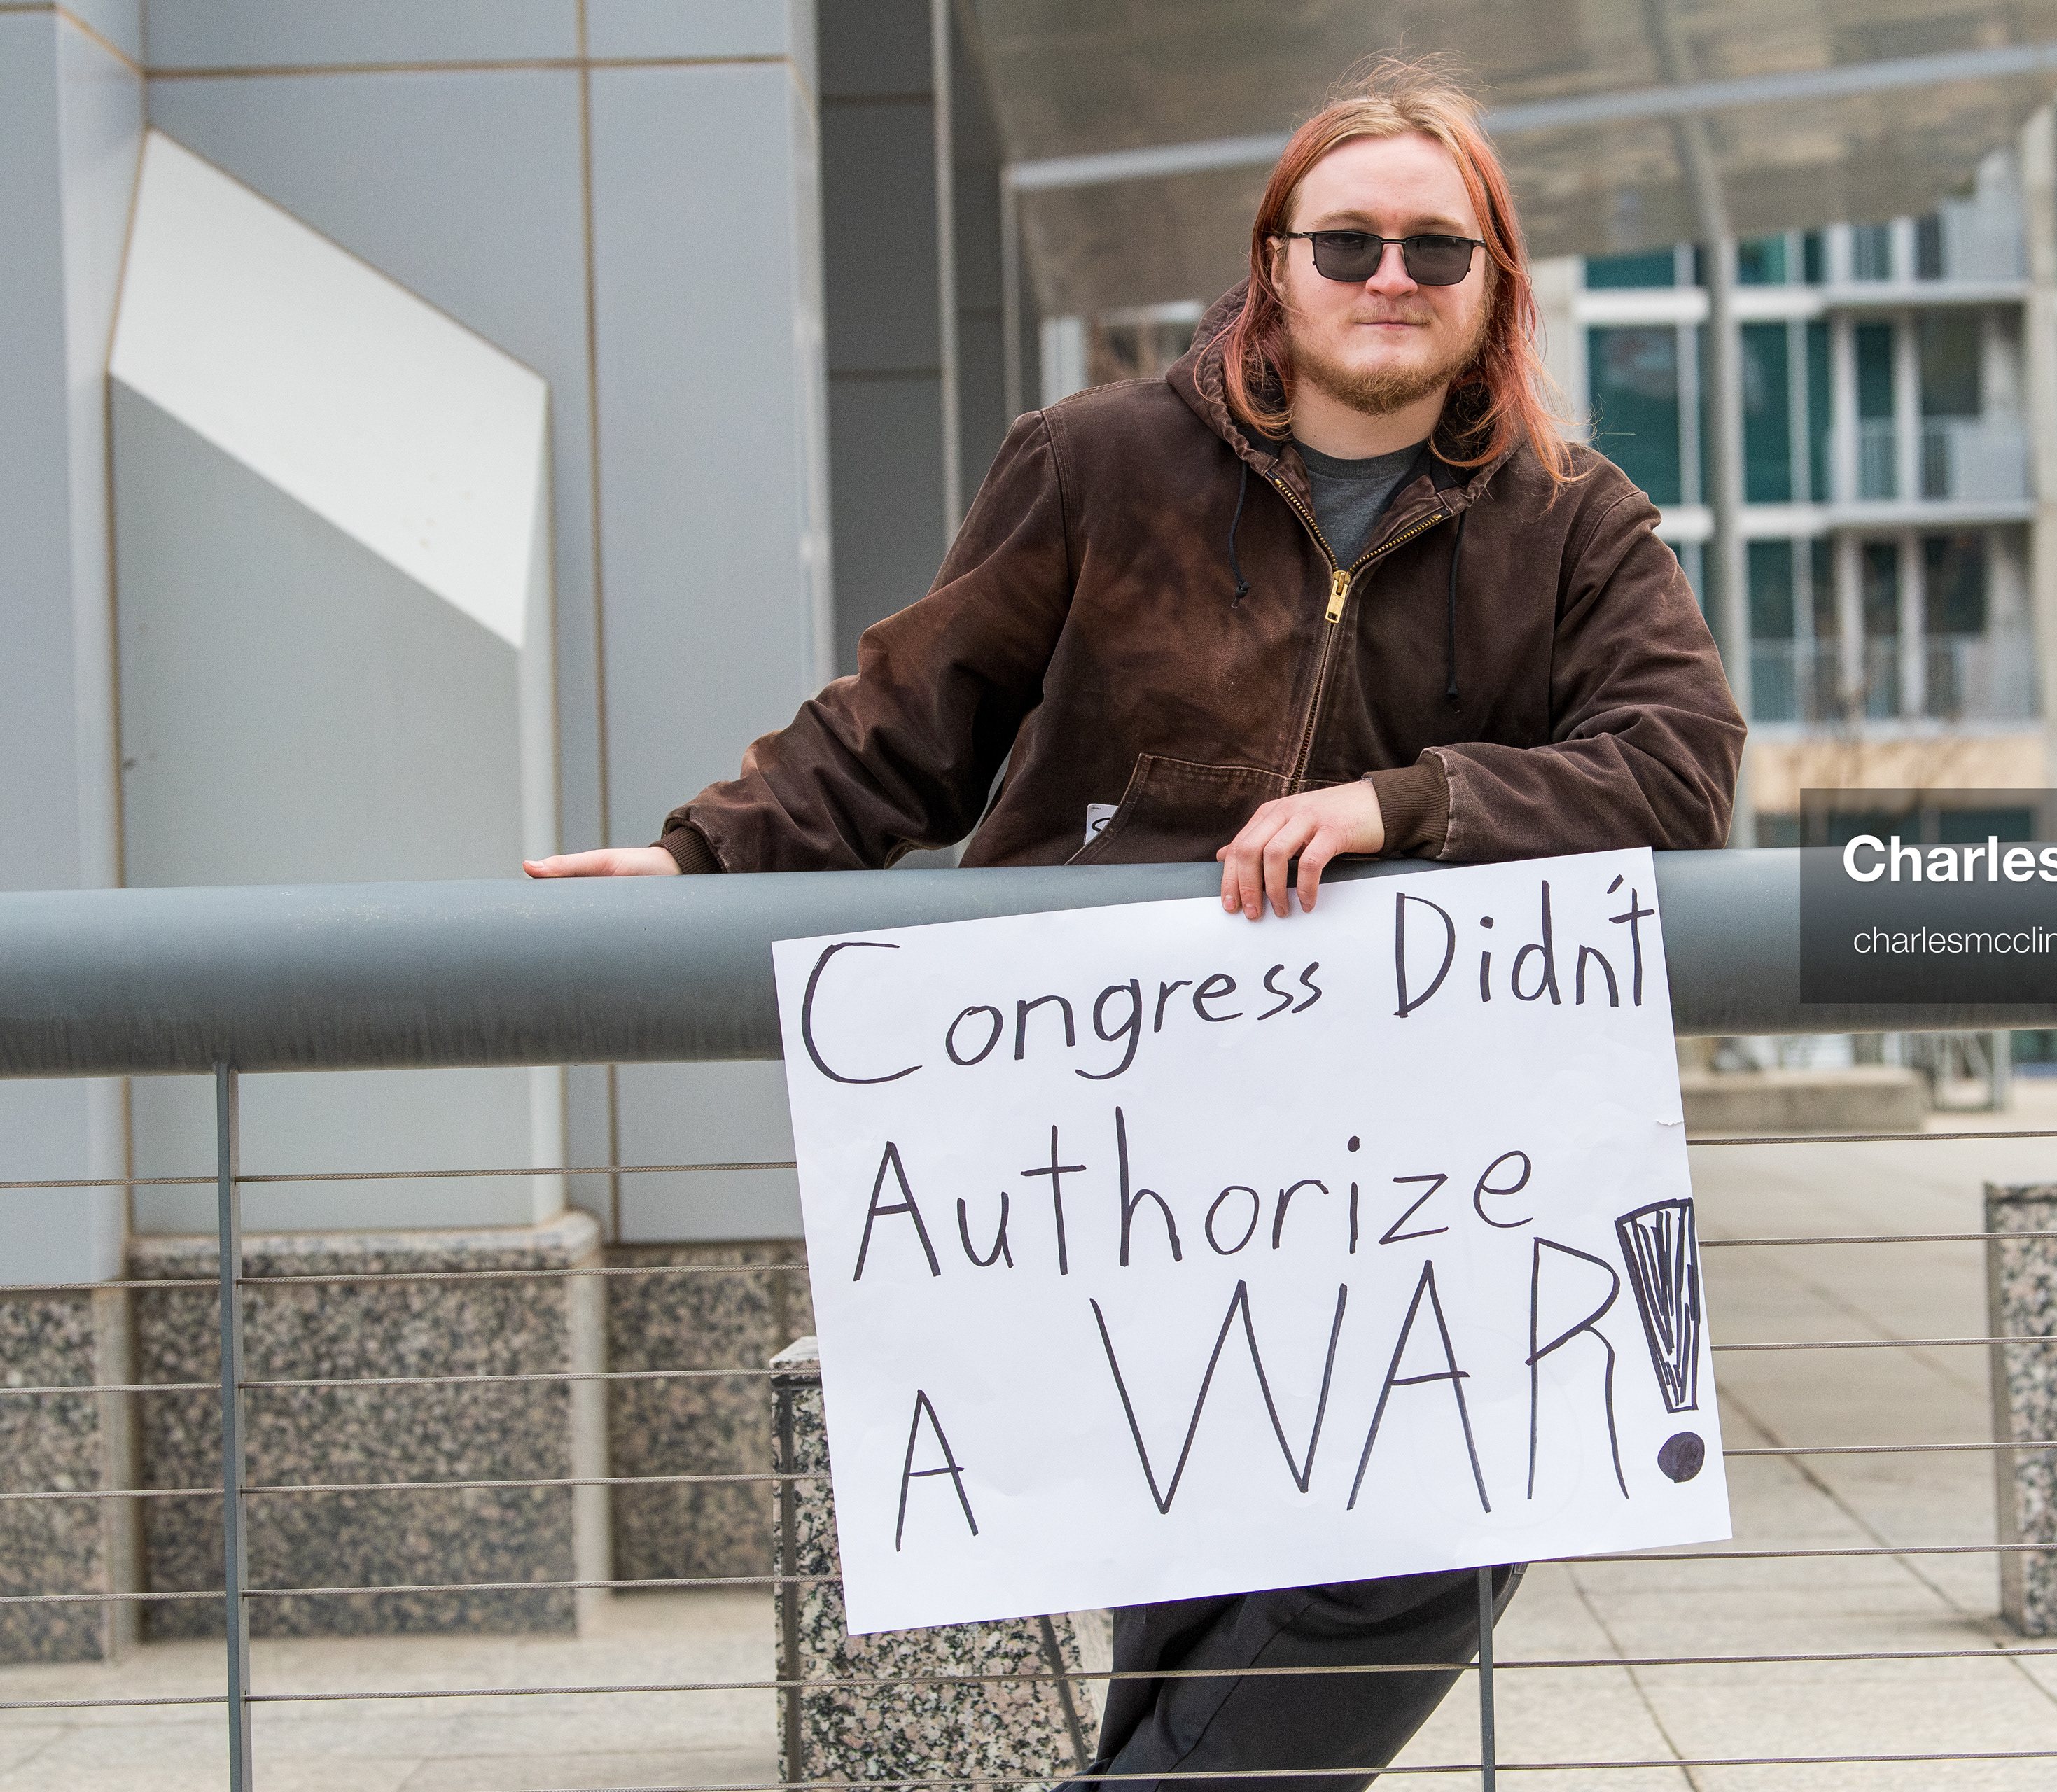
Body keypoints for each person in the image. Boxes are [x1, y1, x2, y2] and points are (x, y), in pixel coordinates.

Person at [526, 53, 1743, 1792]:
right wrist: (700, 859)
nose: (1388, 279)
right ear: (1272, 262)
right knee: (1189, 1596)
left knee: (1454, 1507)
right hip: (1126, 1167)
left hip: (1417, 1169)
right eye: (1346, 245)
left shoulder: (1577, 517)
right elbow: (906, 726)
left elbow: (1678, 764)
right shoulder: (1100, 462)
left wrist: (1405, 803)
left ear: (1496, 288)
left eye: (1434, 250)